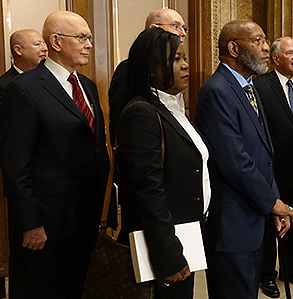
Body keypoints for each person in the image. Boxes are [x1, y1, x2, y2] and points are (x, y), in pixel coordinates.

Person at [0, 11, 109, 299]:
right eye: (82, 37)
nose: (88, 44)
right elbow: (15, 164)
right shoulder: (24, 89)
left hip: (85, 212)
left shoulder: (87, 86)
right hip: (47, 220)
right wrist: (30, 222)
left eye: (89, 38)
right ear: (56, 42)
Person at [195, 20, 293, 299]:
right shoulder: (217, 90)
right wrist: (272, 203)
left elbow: (264, 155)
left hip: (253, 216)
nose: (266, 48)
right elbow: (235, 161)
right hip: (231, 225)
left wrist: (274, 203)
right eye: (258, 41)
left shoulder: (249, 87)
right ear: (233, 48)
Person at [115, 27, 210, 299]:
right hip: (163, 244)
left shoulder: (173, 106)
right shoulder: (142, 113)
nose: (186, 65)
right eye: (176, 59)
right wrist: (169, 254)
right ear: (150, 66)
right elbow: (149, 192)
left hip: (186, 233)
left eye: (184, 58)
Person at [254, 37, 293, 298]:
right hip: (273, 168)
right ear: (276, 58)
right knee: (271, 223)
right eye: (289, 53)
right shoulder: (260, 86)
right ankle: (266, 274)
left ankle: (291, 268)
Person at [109, 8, 187, 141]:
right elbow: (121, 122)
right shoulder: (127, 69)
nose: (183, 33)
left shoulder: (176, 79)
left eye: (184, 28)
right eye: (175, 26)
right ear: (153, 29)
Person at [0, 29, 48, 134]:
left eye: (44, 44)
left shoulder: (49, 79)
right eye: (38, 44)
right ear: (18, 50)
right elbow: (11, 131)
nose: (45, 49)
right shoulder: (1, 87)